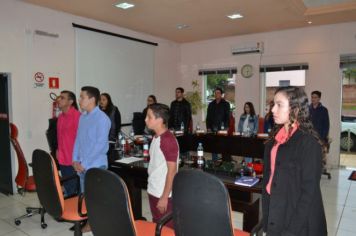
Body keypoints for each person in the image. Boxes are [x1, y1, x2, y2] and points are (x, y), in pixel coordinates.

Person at [262, 86, 327, 236]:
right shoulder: (273, 140)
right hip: (277, 211)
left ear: (295, 109)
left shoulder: (309, 143)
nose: (272, 110)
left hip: (299, 221)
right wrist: (266, 222)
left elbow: (309, 193)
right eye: (273, 104)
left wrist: (291, 232)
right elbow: (268, 180)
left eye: (279, 105)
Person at [145, 103, 179, 229]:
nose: (145, 119)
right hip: (154, 189)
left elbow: (172, 171)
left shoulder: (168, 140)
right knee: (157, 224)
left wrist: (164, 197)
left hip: (163, 193)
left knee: (167, 228)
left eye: (149, 117)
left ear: (159, 120)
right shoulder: (156, 137)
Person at [56, 90, 80, 196]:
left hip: (73, 159)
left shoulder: (78, 116)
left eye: (62, 98)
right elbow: (59, 136)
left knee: (73, 188)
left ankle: (73, 209)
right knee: (66, 184)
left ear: (70, 101)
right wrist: (58, 149)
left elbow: (81, 139)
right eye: (59, 97)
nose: (59, 99)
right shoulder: (61, 117)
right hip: (62, 156)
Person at [206, 87, 230, 161]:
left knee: (223, 146)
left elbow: (227, 117)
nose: (217, 94)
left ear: (221, 94)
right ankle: (214, 161)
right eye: (215, 93)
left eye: (218, 93)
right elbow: (208, 117)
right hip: (213, 128)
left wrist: (226, 127)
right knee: (214, 147)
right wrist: (208, 127)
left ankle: (224, 163)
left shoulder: (226, 104)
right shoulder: (211, 104)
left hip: (222, 128)